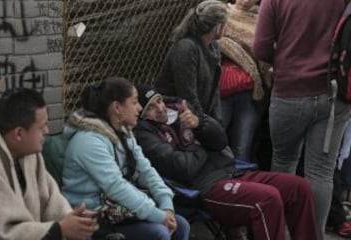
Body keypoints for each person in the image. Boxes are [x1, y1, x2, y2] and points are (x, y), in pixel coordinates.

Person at [134, 84, 318, 240]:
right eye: (150, 107)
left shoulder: (181, 107)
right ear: (141, 114)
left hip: (233, 171)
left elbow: (221, 140)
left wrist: (199, 124)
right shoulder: (145, 134)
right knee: (267, 200)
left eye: (158, 100)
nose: (159, 108)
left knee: (299, 187)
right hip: (208, 187)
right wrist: (197, 145)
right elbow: (182, 168)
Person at [252, 0, 351, 238]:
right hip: (334, 94)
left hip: (289, 90)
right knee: (321, 173)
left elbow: (261, 48)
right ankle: (312, 234)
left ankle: (279, 231)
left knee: (284, 162)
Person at [62, 77, 190, 240]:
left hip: (117, 211)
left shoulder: (123, 133)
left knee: (181, 225)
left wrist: (167, 206)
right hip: (92, 219)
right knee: (158, 233)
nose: (139, 108)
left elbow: (146, 171)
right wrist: (158, 216)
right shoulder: (89, 141)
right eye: (135, 102)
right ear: (117, 107)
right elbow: (116, 187)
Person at [0, 88, 98, 240]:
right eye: (41, 127)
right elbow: (3, 232)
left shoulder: (29, 151)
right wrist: (59, 229)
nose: (47, 131)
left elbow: (51, 200)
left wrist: (73, 220)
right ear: (19, 134)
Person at [155, 0, 227, 123]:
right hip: (178, 117)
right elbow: (188, 96)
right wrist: (205, 126)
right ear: (218, 27)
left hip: (200, 116)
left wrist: (217, 123)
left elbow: (214, 93)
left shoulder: (213, 47)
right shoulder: (186, 48)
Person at [217, 0, 272, 162]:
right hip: (223, 88)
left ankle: (242, 181)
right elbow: (215, 41)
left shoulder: (261, 17)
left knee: (243, 143)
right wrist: (237, 52)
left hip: (251, 88)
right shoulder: (221, 13)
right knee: (216, 137)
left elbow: (264, 47)